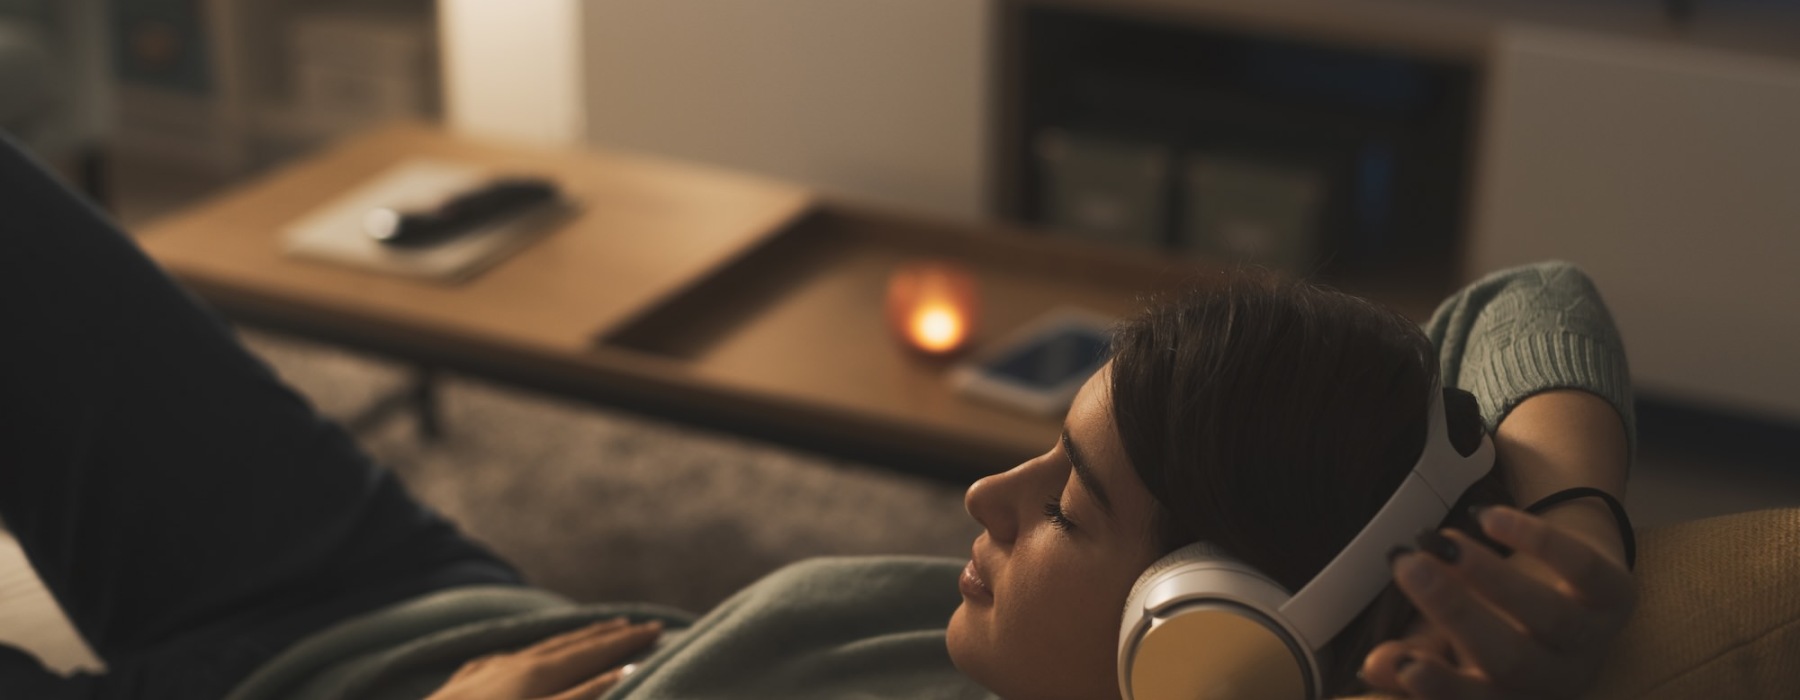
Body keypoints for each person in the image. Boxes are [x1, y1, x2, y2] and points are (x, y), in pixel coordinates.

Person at [0, 132, 1636, 700]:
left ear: (1197, 635)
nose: (983, 502)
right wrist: (1569, 528)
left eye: (1070, 506)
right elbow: (1526, 300)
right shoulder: (1079, 652)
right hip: (395, 587)